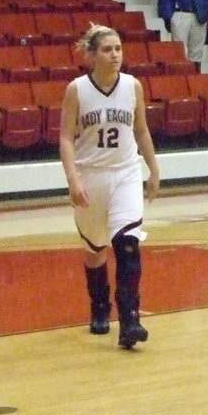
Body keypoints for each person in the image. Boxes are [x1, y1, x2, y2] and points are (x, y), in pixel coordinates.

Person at [59, 24, 161, 348]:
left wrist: (154, 169)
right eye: (107, 49)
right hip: (91, 176)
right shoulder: (77, 89)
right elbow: (65, 138)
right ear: (92, 55)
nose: (115, 54)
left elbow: (141, 130)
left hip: (126, 173)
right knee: (95, 249)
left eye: (118, 48)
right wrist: (73, 180)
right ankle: (99, 305)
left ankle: (130, 320)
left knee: (128, 246)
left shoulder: (133, 86)